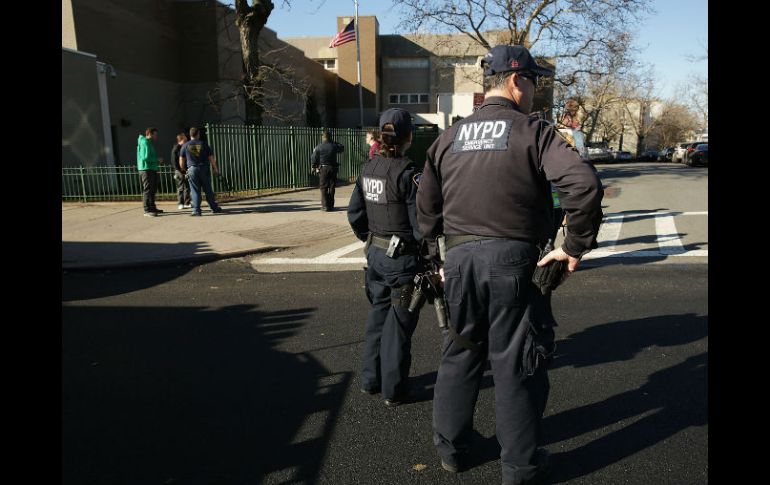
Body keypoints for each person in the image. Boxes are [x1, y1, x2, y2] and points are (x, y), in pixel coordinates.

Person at [416, 45, 603, 484]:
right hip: (514, 261)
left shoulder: (448, 138)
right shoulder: (532, 131)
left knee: (459, 354)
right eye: (535, 82)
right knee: (517, 362)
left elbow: (424, 209)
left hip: (459, 261)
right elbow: (584, 186)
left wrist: (434, 259)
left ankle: (452, 450)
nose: (537, 93)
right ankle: (520, 467)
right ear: (517, 79)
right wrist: (573, 245)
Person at [348, 108, 422, 407]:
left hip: (375, 255)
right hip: (401, 261)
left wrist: (371, 238)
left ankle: (370, 379)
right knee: (400, 324)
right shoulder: (409, 173)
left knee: (378, 315)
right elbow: (422, 227)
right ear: (408, 137)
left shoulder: (368, 169)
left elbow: (355, 214)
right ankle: (394, 389)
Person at [179, 127, 223, 216]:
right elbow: (211, 158)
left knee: (195, 190)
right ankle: (214, 208)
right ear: (198, 134)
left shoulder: (185, 145)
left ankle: (196, 210)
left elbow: (181, 160)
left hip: (192, 169)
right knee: (208, 189)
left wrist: (184, 170)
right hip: (204, 168)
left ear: (190, 135)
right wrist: (215, 169)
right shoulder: (204, 144)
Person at [311, 131, 344, 211]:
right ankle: (331, 205)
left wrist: (314, 166)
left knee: (323, 187)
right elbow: (342, 148)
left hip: (323, 168)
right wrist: (333, 142)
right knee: (332, 186)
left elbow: (314, 157)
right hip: (333, 168)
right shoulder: (333, 145)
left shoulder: (319, 146)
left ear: (323, 137)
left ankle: (325, 206)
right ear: (330, 137)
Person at [136, 127, 163, 217]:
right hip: (146, 169)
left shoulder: (149, 143)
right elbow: (145, 157)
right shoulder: (145, 142)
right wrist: (157, 160)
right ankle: (147, 210)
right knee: (148, 189)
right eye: (155, 134)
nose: (156, 136)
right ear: (150, 134)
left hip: (151, 168)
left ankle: (152, 207)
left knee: (153, 189)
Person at [172, 133, 192, 210]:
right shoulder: (176, 148)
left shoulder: (183, 147)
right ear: (181, 140)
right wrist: (180, 170)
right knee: (180, 188)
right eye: (185, 140)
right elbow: (174, 161)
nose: (187, 141)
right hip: (179, 171)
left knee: (187, 187)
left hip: (184, 170)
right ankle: (180, 203)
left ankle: (187, 202)